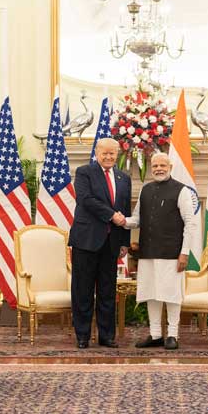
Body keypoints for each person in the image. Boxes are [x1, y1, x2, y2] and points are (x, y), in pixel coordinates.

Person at [123, 152, 198, 350]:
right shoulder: (145, 190)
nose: (158, 169)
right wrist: (122, 221)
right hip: (147, 253)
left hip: (172, 253)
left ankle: (173, 335)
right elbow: (137, 218)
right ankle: (156, 335)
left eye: (162, 165)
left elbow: (190, 223)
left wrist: (185, 253)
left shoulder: (181, 191)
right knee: (152, 293)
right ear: (151, 168)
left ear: (170, 167)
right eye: (155, 166)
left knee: (172, 294)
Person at [69, 138, 131, 349]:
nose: (108, 157)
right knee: (82, 290)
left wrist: (124, 242)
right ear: (97, 152)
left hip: (111, 243)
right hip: (86, 240)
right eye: (104, 153)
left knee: (107, 291)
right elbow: (86, 200)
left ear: (118, 154)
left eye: (112, 153)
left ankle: (106, 336)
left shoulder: (124, 178)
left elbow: (126, 210)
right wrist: (112, 215)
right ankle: (83, 336)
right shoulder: (85, 172)